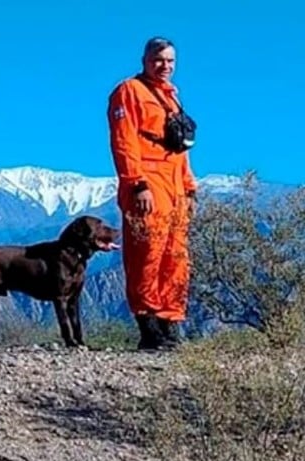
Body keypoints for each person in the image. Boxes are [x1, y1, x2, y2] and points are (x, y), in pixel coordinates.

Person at [106, 36, 199, 351]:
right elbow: (124, 142)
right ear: (145, 60)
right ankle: (149, 328)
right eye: (159, 60)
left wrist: (189, 188)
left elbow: (180, 149)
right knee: (147, 254)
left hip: (174, 184)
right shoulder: (128, 92)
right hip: (147, 182)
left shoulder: (172, 99)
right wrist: (136, 183)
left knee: (176, 258)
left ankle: (171, 323)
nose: (165, 66)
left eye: (171, 61)